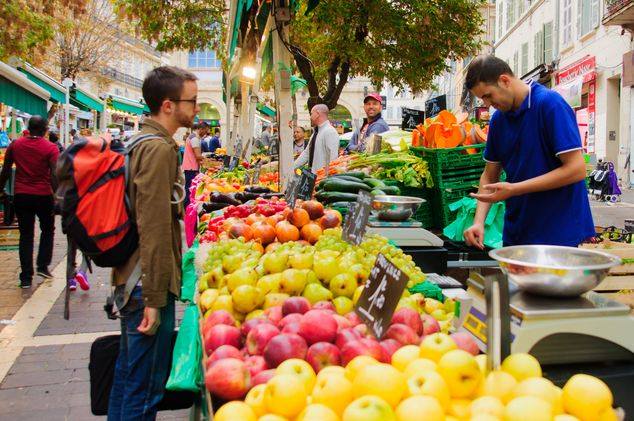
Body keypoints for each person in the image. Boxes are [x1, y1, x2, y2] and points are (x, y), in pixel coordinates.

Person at [108, 66, 197, 420]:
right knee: (144, 390)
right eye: (191, 101)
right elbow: (156, 227)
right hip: (146, 284)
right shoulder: (159, 150)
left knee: (128, 378)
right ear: (168, 105)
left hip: (132, 278)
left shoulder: (140, 142)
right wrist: (156, 300)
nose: (196, 108)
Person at [462, 55, 594, 248]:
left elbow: (576, 169)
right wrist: (478, 222)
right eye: (482, 99)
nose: (487, 104)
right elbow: (489, 176)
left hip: (558, 232)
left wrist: (515, 189)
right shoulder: (498, 120)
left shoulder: (550, 104)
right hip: (518, 231)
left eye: (488, 95)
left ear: (505, 80)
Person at [0, 116, 59, 288]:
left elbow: (5, 170)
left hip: (22, 195)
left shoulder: (15, 145)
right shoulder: (50, 148)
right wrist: (58, 196)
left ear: (28, 127)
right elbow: (54, 174)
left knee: (26, 235)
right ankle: (42, 265)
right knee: (48, 229)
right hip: (43, 195)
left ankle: (26, 277)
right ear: (45, 129)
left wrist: (1, 188)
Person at [294, 104, 339, 173]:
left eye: (311, 114)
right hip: (313, 177)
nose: (310, 117)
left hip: (322, 179)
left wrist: (327, 178)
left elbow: (333, 158)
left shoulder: (330, 132)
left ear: (317, 114)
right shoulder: (316, 132)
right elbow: (306, 154)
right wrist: (291, 167)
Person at [182, 121, 204, 209]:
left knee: (188, 188)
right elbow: (198, 156)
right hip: (191, 167)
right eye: (205, 131)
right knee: (190, 189)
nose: (205, 134)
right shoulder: (194, 138)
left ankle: (186, 207)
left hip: (189, 167)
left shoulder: (192, 137)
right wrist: (206, 160)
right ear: (200, 129)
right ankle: (187, 208)